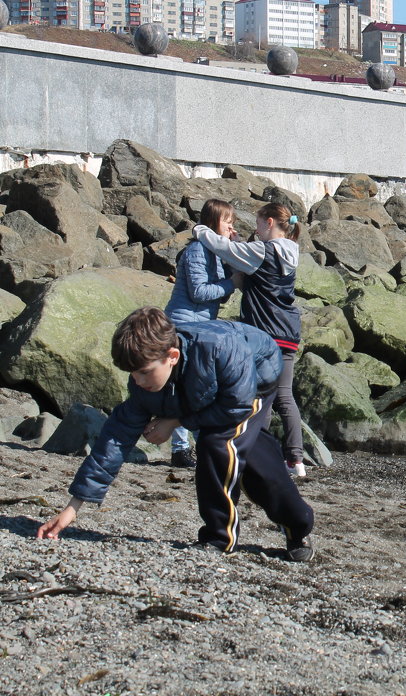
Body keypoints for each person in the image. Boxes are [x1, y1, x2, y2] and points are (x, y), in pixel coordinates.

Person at [36, 307, 315, 561]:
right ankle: (299, 522)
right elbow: (114, 441)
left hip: (255, 379)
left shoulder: (220, 349)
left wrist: (176, 420)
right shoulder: (144, 386)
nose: (137, 381)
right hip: (209, 390)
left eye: (144, 373)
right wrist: (72, 509)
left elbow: (236, 406)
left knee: (216, 445)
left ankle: (220, 539)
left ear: (172, 356)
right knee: (251, 457)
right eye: (132, 375)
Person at [193, 202, 305, 477]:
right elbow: (247, 254)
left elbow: (226, 250)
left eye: (257, 224)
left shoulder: (262, 251)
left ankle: (257, 452)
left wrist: (200, 231)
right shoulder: (290, 250)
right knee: (284, 397)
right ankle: (296, 460)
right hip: (288, 332)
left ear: (268, 223)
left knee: (260, 396)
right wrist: (240, 241)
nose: (253, 230)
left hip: (265, 335)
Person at [160, 198, 238, 469]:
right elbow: (199, 292)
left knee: (198, 387)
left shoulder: (215, 252)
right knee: (186, 387)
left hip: (201, 326)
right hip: (184, 325)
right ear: (214, 222)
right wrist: (231, 283)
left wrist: (232, 256)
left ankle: (195, 445)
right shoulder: (196, 250)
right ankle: (181, 449)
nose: (231, 227)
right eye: (227, 222)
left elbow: (220, 295)